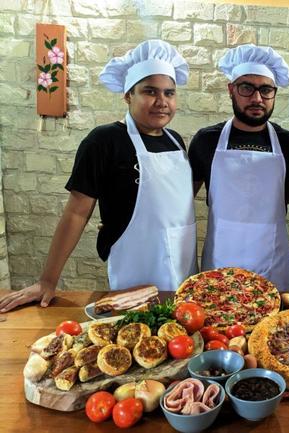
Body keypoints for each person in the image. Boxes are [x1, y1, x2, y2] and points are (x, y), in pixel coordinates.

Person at [0, 40, 197, 312]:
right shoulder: (103, 141)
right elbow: (76, 214)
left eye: (169, 93)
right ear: (128, 94)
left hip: (184, 267)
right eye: (150, 91)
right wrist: (47, 280)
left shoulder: (175, 141)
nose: (162, 102)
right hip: (135, 270)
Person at [188, 44, 289, 292]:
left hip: (271, 260)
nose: (257, 98)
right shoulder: (206, 140)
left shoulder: (287, 142)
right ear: (231, 90)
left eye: (266, 90)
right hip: (221, 260)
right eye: (247, 88)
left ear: (274, 93)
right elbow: (182, 198)